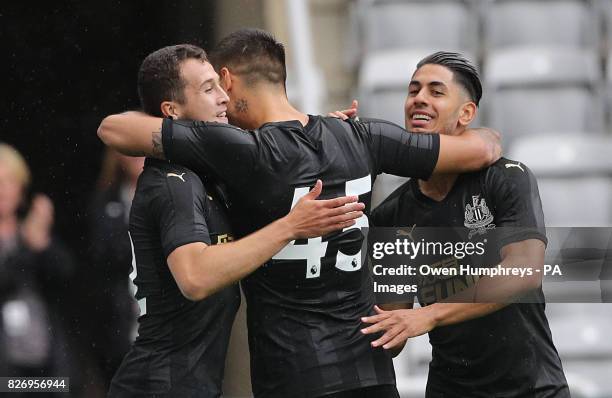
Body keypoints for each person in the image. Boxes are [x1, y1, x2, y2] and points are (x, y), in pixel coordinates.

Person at [98, 29, 501, 398]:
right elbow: (483, 149)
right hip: (369, 370)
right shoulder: (362, 136)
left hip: (291, 371)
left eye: (218, 87)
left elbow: (114, 130)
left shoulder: (236, 153)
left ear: (229, 80)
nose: (221, 100)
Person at [107, 44, 365, 398]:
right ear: (171, 111)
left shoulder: (207, 175)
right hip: (159, 385)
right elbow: (195, 278)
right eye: (208, 89)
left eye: (221, 85)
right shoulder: (174, 184)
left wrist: (324, 136)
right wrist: (291, 226)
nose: (224, 98)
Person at [360, 51, 570, 397]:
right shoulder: (392, 216)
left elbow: (524, 272)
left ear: (466, 114)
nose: (420, 99)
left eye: (435, 91)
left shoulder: (506, 178)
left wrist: (430, 316)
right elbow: (391, 330)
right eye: (413, 91)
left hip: (533, 388)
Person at [0, 143, 75, 390]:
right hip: (6, 367)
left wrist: (42, 244)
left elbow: (66, 274)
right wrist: (28, 250)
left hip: (46, 358)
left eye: (9, 181)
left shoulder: (33, 232)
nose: (2, 190)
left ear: (21, 188)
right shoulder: (28, 240)